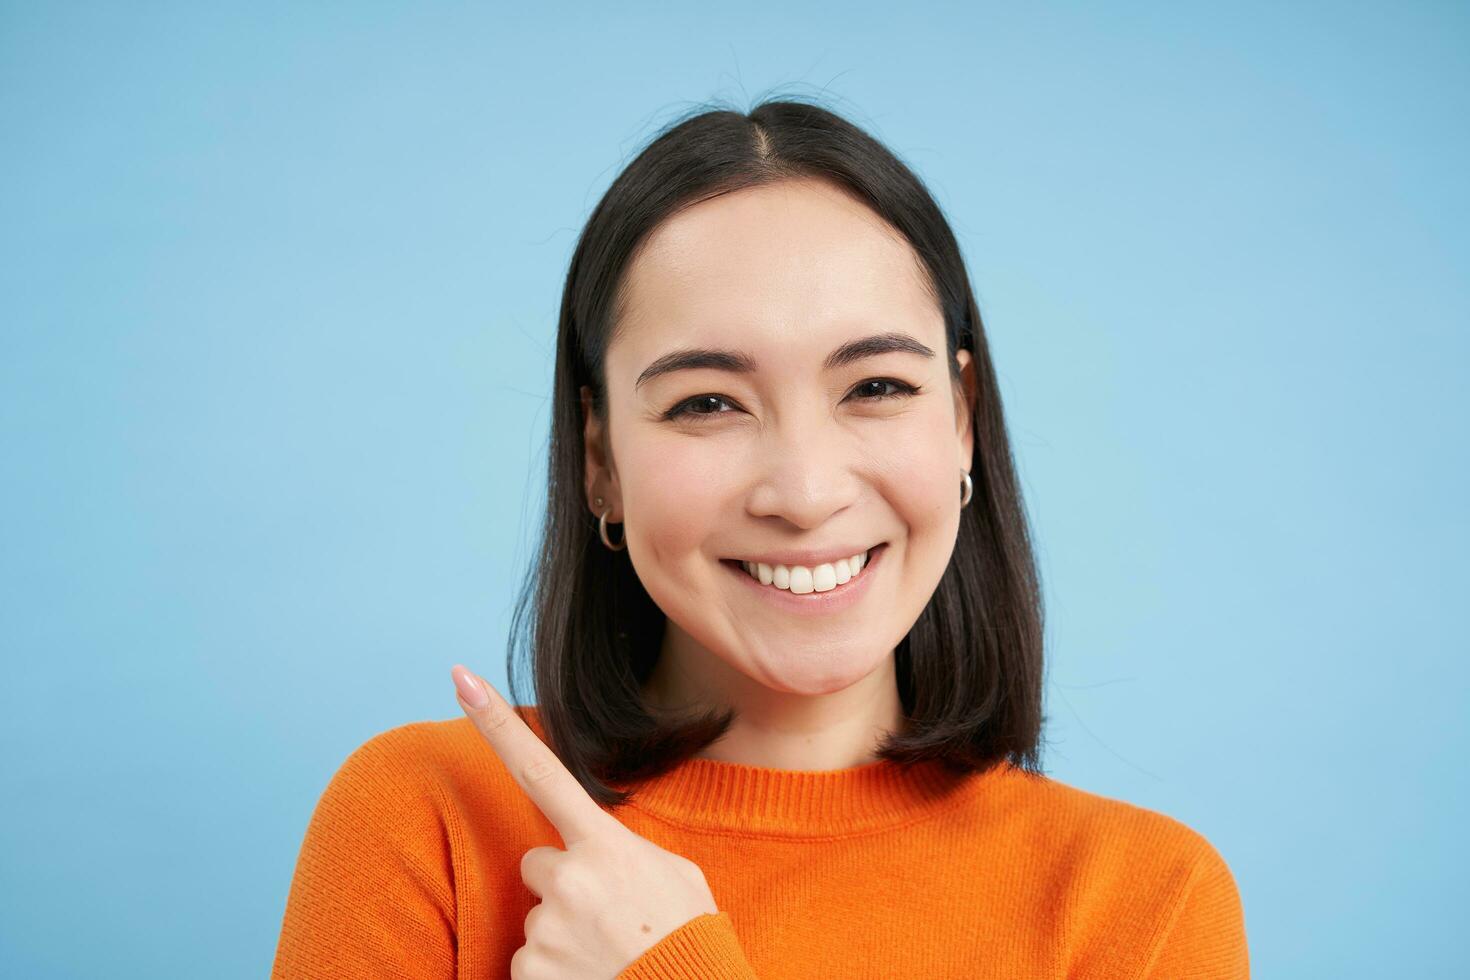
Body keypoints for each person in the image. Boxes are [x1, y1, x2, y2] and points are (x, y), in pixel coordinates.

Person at [271, 98, 1250, 979]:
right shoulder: (427, 819)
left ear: (962, 418)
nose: (807, 491)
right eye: (706, 401)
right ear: (600, 457)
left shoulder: (1145, 904)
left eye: (876, 388)